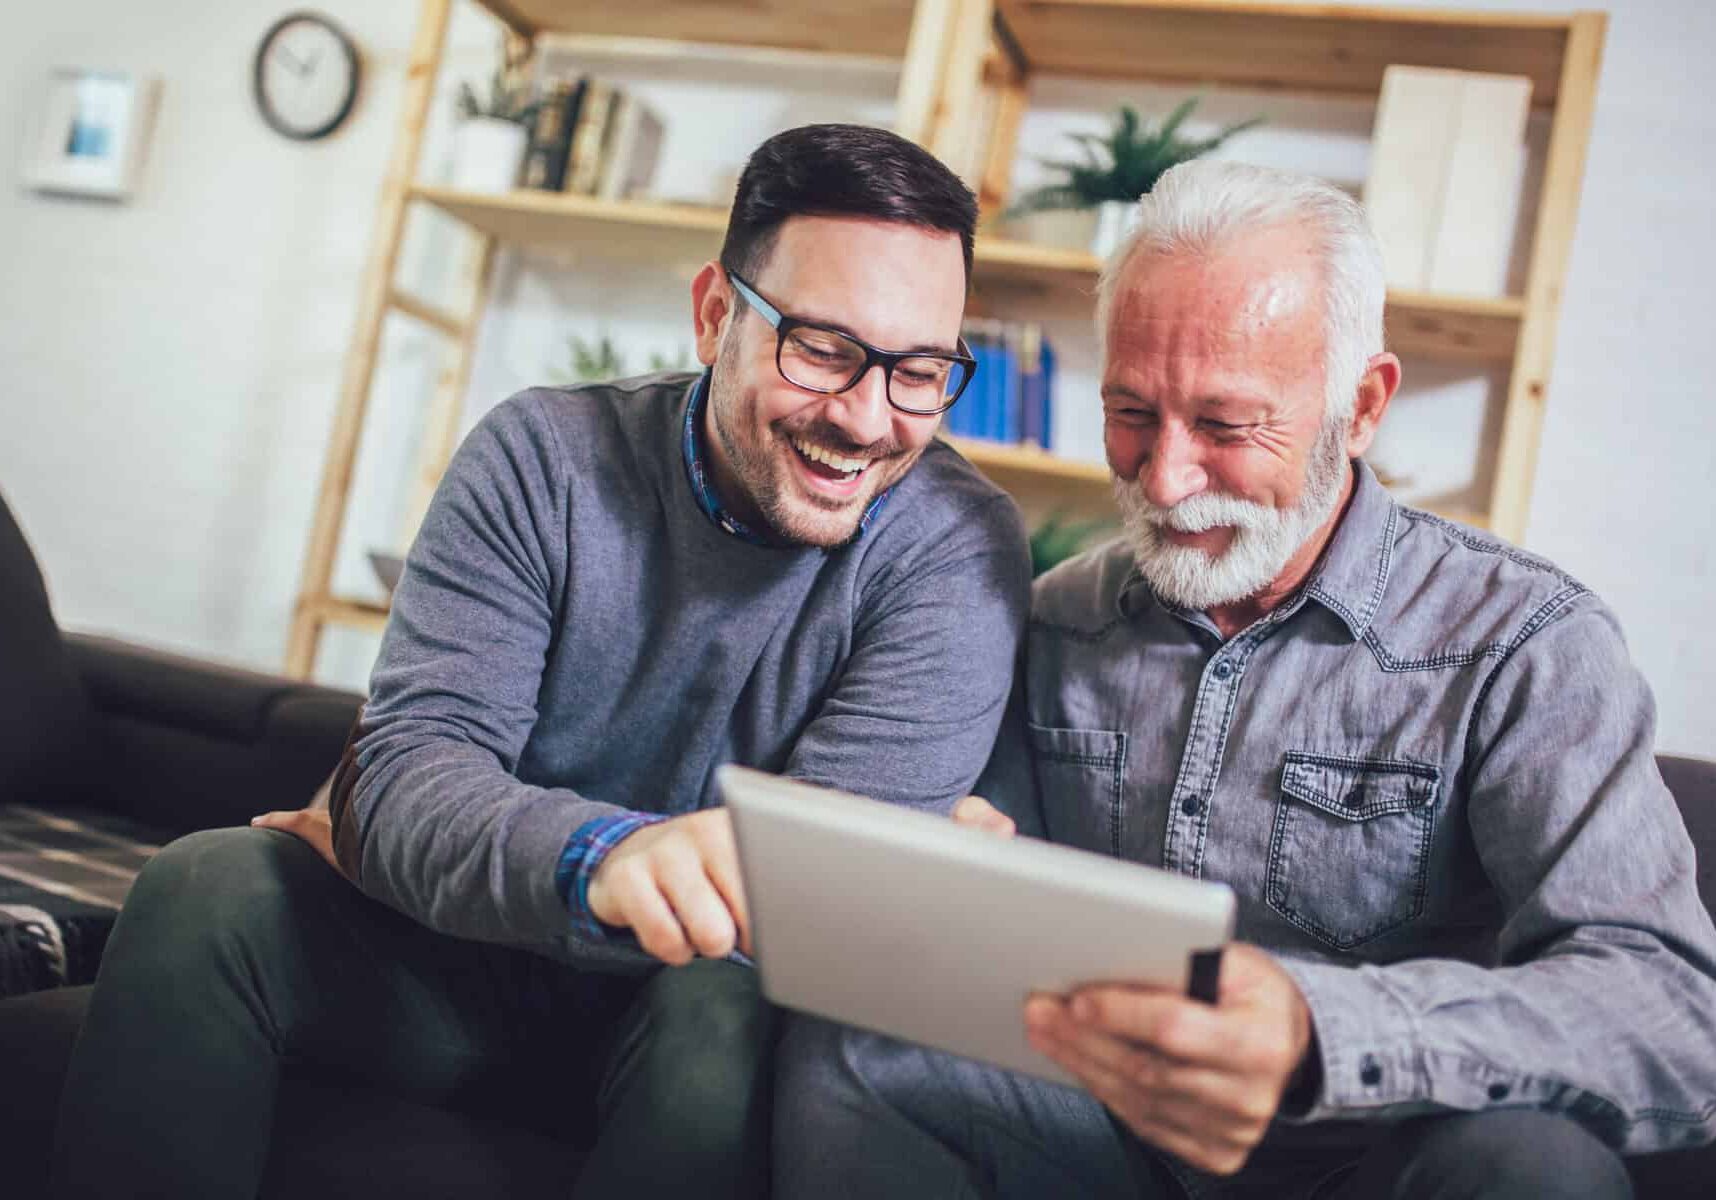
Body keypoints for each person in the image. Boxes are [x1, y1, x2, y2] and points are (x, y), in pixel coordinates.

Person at [51, 123, 1032, 1199]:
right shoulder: (543, 459)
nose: (865, 417)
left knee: (726, 994)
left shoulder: (956, 554)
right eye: (823, 349)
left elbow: (805, 906)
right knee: (210, 885)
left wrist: (440, 838)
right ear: (715, 315)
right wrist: (605, 859)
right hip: (453, 972)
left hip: (689, 1023)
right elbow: (407, 775)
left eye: (919, 372)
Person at [774, 160, 1716, 1200]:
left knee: (1536, 1168)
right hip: (1099, 1144)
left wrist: (1321, 1033)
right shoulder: (1055, 618)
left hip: (1372, 1158)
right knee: (851, 1055)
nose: (1167, 478)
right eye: (1131, 412)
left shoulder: (1527, 646)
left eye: (1226, 428)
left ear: (1360, 408)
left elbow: (1671, 1014)